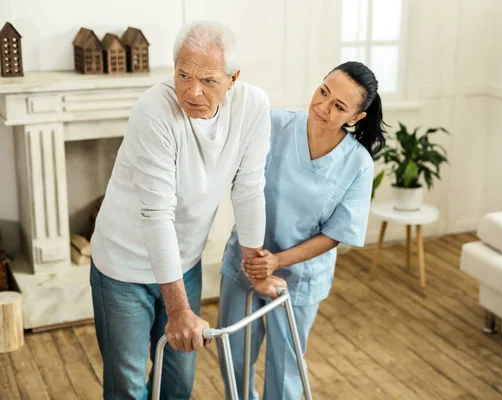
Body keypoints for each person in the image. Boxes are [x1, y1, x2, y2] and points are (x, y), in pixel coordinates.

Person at [89, 20, 281, 399]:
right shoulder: (154, 112)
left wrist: (254, 265)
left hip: (184, 260)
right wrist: (178, 312)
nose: (192, 92)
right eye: (183, 75)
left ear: (233, 78)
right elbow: (156, 214)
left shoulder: (253, 106)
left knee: (178, 381)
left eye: (208, 81)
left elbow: (248, 188)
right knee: (127, 386)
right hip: (122, 267)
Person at [217, 61, 386, 399]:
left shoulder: (357, 163)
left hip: (301, 275)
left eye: (339, 106)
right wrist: (258, 259)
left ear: (355, 118)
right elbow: (240, 183)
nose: (323, 107)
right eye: (323, 92)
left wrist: (277, 262)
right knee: (233, 354)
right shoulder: (274, 125)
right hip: (246, 260)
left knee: (285, 369)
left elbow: (337, 233)